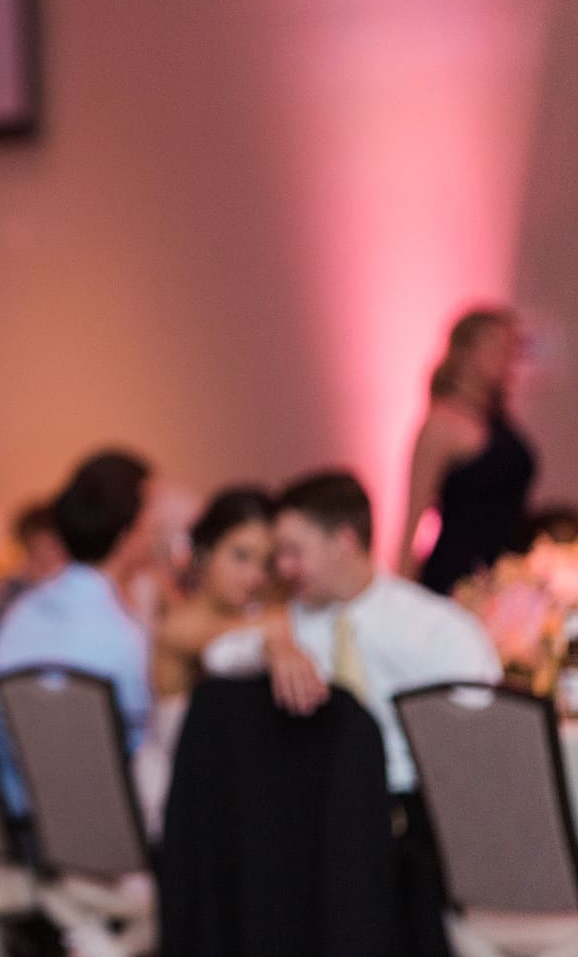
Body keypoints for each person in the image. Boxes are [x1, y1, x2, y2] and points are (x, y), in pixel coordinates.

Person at [204, 470, 501, 957]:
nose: (282, 567)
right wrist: (276, 645)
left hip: (406, 832)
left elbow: (481, 736)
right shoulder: (292, 623)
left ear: (344, 541)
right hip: (306, 835)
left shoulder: (433, 628)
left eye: (293, 551)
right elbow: (218, 658)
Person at [0, 449, 157, 815]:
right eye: (150, 516)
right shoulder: (120, 635)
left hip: (23, 811)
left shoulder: (21, 613)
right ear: (128, 534)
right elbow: (137, 748)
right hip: (99, 822)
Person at [135, 486, 275, 838]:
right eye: (241, 556)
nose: (255, 576)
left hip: (232, 800)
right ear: (205, 552)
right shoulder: (180, 627)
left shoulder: (260, 619)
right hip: (180, 805)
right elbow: (231, 638)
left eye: (266, 563)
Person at [400, 307, 536, 594]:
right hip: (458, 577)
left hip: (507, 576)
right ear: (466, 352)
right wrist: (400, 592)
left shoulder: (497, 419)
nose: (506, 359)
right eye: (496, 347)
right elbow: (415, 516)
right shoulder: (441, 424)